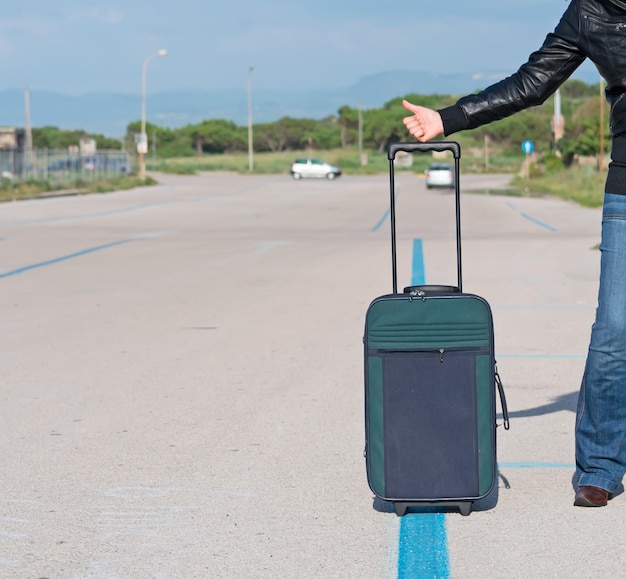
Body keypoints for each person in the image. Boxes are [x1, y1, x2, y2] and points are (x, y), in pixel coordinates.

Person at [402, 0, 626, 508]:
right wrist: (449, 117)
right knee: (615, 329)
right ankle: (601, 466)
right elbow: (533, 82)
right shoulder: (590, 11)